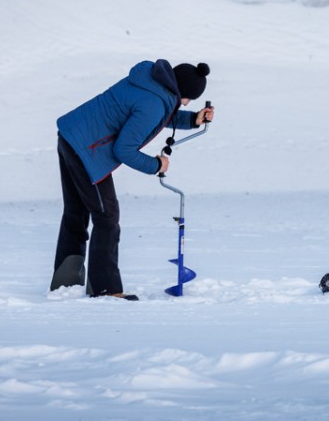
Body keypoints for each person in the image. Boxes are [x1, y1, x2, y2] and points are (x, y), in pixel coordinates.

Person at [51, 59, 215, 298]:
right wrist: (156, 165)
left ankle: (65, 285)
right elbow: (124, 149)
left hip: (71, 136)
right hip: (87, 150)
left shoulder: (150, 83)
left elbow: (154, 116)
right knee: (107, 216)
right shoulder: (155, 103)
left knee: (76, 213)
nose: (186, 104)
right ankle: (106, 290)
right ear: (182, 92)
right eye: (188, 100)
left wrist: (192, 120)